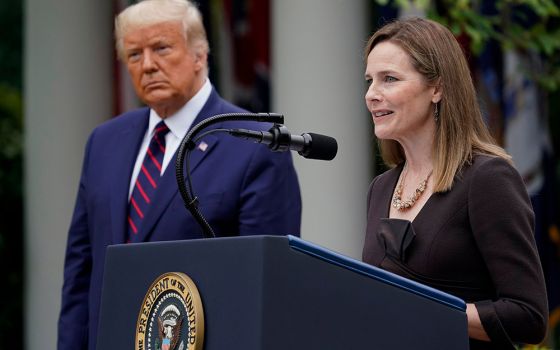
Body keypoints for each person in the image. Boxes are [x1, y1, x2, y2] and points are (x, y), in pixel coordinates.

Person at [57, 1, 301, 349]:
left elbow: (270, 286)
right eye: (134, 55)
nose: (148, 65)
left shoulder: (253, 144)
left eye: (161, 48)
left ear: (200, 55)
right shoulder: (104, 142)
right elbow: (80, 274)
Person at [362, 17, 548, 349]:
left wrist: (422, 310)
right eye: (369, 80)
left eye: (389, 79)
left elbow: (528, 316)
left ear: (437, 88)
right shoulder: (381, 187)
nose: (372, 94)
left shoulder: (487, 179)